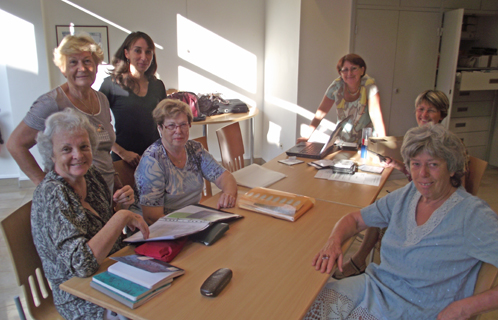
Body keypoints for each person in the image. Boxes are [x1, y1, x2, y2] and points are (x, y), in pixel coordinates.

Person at [305, 124, 498, 320]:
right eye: (415, 164)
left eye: (433, 164)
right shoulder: (409, 194)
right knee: (306, 305)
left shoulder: (472, 214)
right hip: (374, 286)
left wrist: (465, 308)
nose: (422, 174)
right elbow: (354, 219)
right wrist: (334, 241)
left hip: (413, 309)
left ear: (451, 168)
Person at [31, 109, 149, 320]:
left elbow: (103, 231)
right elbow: (82, 265)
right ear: (51, 154)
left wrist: (121, 208)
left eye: (84, 146)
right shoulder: (53, 193)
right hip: (80, 295)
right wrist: (120, 218)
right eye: (67, 149)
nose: (78, 155)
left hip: (112, 269)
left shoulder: (91, 175)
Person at [332, 89, 451, 279]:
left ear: (441, 114)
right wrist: (399, 166)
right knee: (377, 208)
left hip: (431, 202)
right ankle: (359, 260)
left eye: (431, 110)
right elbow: (419, 176)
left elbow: (438, 184)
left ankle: (359, 261)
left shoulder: (443, 143)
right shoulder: (419, 136)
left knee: (379, 212)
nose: (424, 115)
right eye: (420, 109)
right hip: (419, 193)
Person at [6, 33, 116, 192]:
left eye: (87, 61)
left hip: (106, 191)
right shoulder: (51, 103)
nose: (82, 68)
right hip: (73, 195)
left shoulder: (102, 99)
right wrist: (45, 186)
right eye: (73, 62)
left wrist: (116, 176)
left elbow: (104, 149)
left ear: (96, 66)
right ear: (63, 69)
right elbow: (15, 144)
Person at [135, 99, 238, 225]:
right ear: (160, 128)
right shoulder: (152, 162)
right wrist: (191, 226)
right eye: (171, 125)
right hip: (159, 229)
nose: (178, 131)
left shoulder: (195, 149)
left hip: (191, 220)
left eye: (183, 124)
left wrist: (228, 194)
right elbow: (152, 217)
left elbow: (225, 177)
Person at [99, 31, 166, 167]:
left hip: (154, 157)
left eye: (148, 52)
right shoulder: (110, 84)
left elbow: (166, 121)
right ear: (126, 53)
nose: (144, 57)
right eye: (137, 51)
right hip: (123, 160)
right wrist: (122, 152)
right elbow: (97, 126)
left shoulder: (157, 85)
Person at [298, 53, 386, 143]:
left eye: (354, 68)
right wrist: (306, 136)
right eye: (345, 70)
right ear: (340, 73)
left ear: (362, 70)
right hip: (343, 140)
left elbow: (376, 117)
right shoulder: (336, 86)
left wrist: (384, 146)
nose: (349, 73)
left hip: (366, 142)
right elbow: (321, 113)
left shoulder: (369, 85)